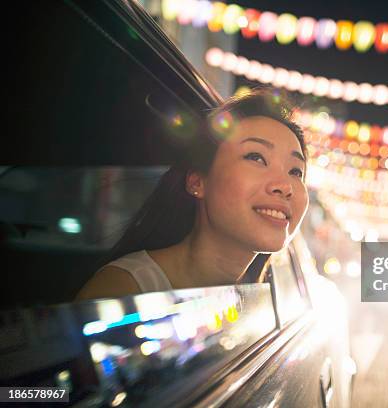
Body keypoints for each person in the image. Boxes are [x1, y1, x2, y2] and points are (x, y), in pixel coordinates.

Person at [76, 89, 309, 299]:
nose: (285, 186)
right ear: (197, 181)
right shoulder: (122, 291)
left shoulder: (260, 296)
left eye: (295, 171)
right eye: (256, 158)